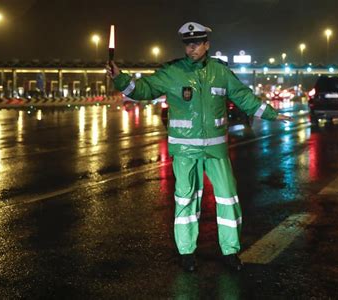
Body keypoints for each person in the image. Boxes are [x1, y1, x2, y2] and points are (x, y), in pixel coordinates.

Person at [106, 22, 292, 272]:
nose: (191, 48)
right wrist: (120, 78)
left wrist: (271, 113)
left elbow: (243, 96)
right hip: (184, 152)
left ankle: (230, 252)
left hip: (216, 151)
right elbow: (143, 90)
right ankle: (187, 254)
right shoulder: (172, 72)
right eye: (188, 44)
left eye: (196, 43)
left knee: (228, 199)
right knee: (186, 201)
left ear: (207, 45)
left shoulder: (220, 72)